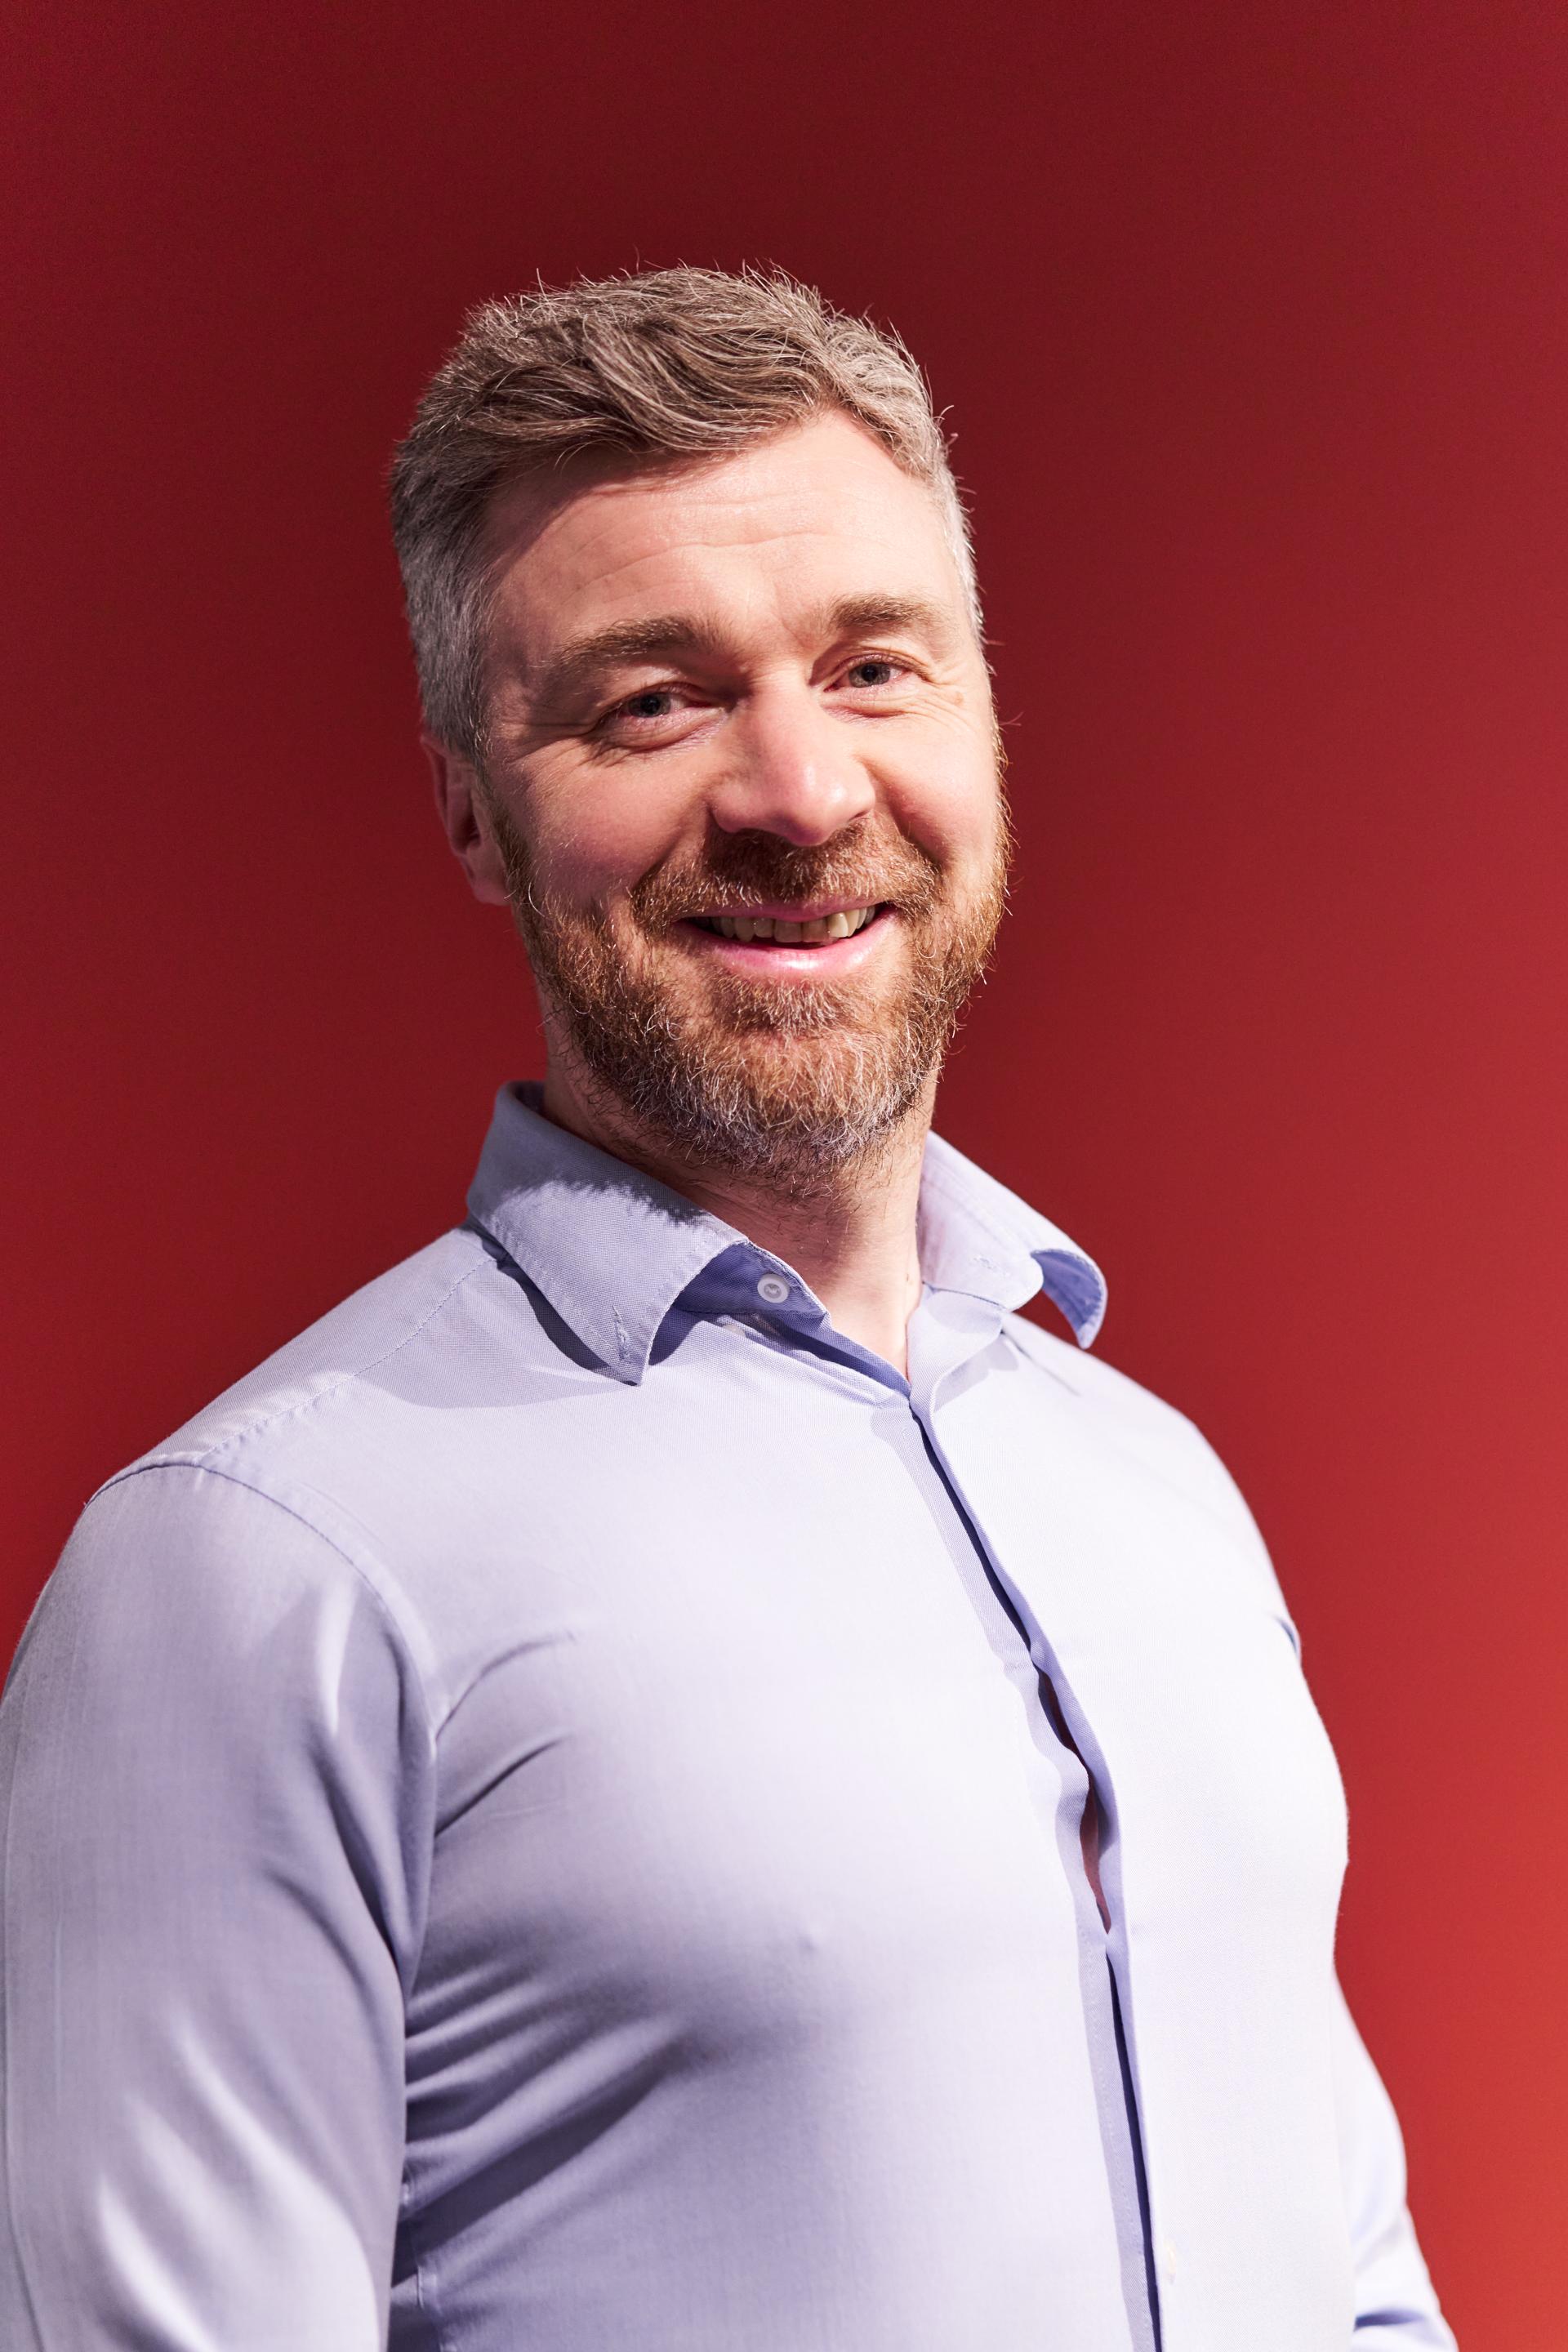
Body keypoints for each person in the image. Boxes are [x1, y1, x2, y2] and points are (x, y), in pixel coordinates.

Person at [0, 267, 1455, 2351]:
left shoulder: (1158, 1495)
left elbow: (1354, 2290)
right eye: (651, 701)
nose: (796, 793)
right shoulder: (252, 1576)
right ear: (471, 813)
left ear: (981, 713)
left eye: (875, 667)